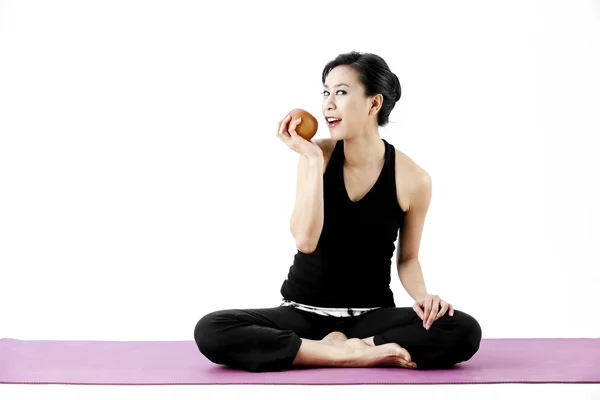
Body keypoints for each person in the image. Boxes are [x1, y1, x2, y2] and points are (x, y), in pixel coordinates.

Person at [194, 51, 482, 372]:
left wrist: (426, 299)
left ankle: (343, 348)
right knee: (212, 329)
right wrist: (314, 160)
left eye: (341, 92)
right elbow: (305, 241)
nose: (328, 103)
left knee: (463, 329)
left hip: (371, 317)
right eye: (326, 92)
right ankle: (350, 354)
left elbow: (408, 258)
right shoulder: (316, 156)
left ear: (373, 104)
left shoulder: (414, 179)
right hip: (302, 312)